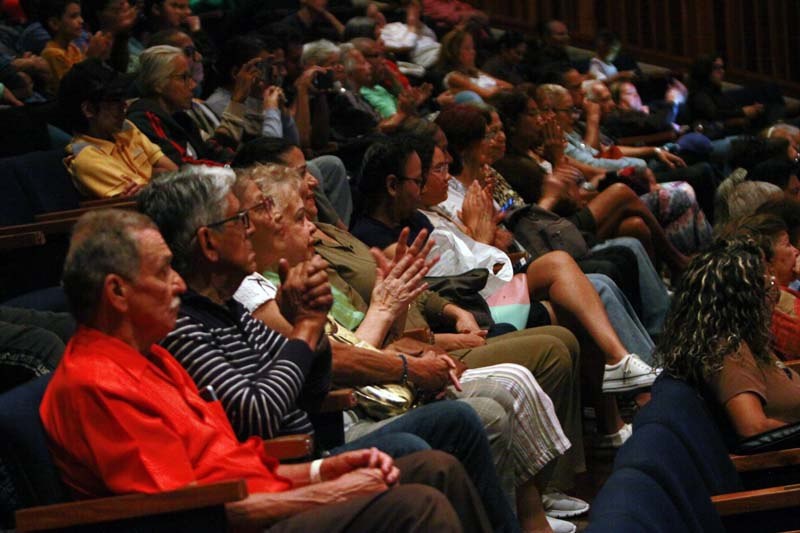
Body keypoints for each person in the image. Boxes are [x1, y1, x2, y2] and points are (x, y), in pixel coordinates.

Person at [40, 208, 491, 532]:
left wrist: (323, 472)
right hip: (228, 524)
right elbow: (187, 510)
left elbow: (229, 464)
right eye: (163, 272)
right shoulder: (96, 384)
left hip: (254, 498)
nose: (177, 283)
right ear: (117, 292)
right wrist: (328, 492)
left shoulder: (152, 357)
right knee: (417, 506)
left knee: (435, 468)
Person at [136, 165, 523, 533]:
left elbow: (315, 381)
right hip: (277, 468)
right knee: (422, 473)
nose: (251, 228)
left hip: (295, 458)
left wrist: (309, 326)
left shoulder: (227, 306)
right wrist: (306, 329)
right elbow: (257, 415)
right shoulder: (183, 326)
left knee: (456, 422)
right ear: (208, 242)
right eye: (240, 220)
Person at [231, 136, 592, 527]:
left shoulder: (313, 253)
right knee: (497, 396)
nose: (312, 228)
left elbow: (347, 341)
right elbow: (331, 362)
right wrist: (406, 357)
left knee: (530, 355)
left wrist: (402, 311)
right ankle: (527, 515)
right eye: (299, 217)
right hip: (353, 404)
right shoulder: (266, 287)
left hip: (400, 353)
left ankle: (531, 510)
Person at [655, 237, 800, 442]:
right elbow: (753, 427)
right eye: (768, 286)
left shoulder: (749, 338)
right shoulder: (729, 351)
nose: (775, 293)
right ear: (744, 301)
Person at [58, 58, 178, 197]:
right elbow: (145, 199)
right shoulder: (86, 158)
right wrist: (156, 174)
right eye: (115, 99)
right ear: (89, 109)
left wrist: (150, 183)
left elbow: (173, 171)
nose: (124, 105)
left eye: (123, 97)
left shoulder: (125, 127)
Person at [128, 45, 242, 165]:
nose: (193, 85)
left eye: (190, 77)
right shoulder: (144, 119)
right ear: (157, 83)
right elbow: (182, 165)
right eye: (183, 77)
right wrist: (229, 168)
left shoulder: (180, 117)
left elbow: (213, 151)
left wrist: (240, 162)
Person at [39, 0, 111, 94]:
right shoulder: (52, 53)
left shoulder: (72, 47)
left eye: (80, 15)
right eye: (74, 16)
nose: (81, 21)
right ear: (54, 23)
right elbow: (73, 90)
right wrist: (91, 57)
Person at [435, 28, 512, 101]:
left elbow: (509, 86)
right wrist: (498, 88)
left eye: (473, 48)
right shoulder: (454, 77)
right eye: (467, 48)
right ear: (454, 53)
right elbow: (487, 94)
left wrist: (495, 89)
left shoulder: (475, 71)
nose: (473, 52)